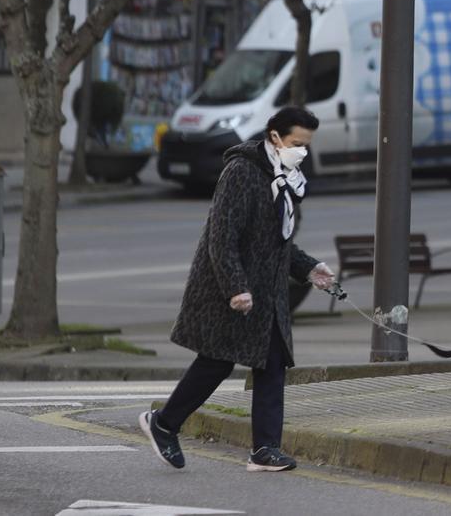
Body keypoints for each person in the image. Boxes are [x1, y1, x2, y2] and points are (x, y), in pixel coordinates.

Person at [140, 106, 335, 472]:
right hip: (228, 289)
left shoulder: (286, 176)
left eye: (307, 145)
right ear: (275, 138)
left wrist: (310, 269)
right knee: (215, 362)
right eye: (297, 144)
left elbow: (276, 243)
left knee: (272, 362)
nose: (303, 152)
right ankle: (163, 423)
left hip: (266, 294)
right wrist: (235, 287)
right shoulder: (241, 172)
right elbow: (222, 237)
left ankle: (264, 449)